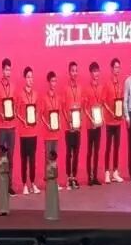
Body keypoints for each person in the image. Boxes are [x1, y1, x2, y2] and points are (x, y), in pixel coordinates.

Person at [0, 58, 17, 195]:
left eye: (10, 70)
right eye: (6, 69)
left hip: (11, 128)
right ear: (2, 70)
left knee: (10, 157)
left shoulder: (13, 86)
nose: (8, 72)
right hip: (1, 128)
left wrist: (15, 112)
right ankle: (0, 187)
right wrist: (0, 114)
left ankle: (9, 186)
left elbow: (15, 105)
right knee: (1, 157)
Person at [17, 66, 40, 195]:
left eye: (32, 77)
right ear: (24, 78)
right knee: (24, 159)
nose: (30, 79)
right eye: (28, 77)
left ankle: (33, 183)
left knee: (33, 159)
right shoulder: (20, 94)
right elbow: (16, 112)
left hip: (33, 132)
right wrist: (24, 120)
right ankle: (25, 185)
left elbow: (37, 111)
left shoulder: (35, 94)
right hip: (23, 133)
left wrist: (35, 117)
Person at [102, 57, 125, 184]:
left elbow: (121, 101)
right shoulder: (107, 84)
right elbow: (104, 101)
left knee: (117, 147)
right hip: (109, 121)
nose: (117, 69)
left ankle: (115, 172)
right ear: (111, 69)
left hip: (118, 121)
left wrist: (121, 113)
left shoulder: (120, 85)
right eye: (115, 67)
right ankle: (106, 172)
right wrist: (111, 113)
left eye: (118, 67)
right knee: (108, 147)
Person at [82, 61, 104, 186]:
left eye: (97, 71)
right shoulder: (86, 89)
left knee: (97, 151)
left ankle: (95, 176)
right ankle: (89, 177)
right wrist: (91, 120)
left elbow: (101, 105)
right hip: (90, 125)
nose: (96, 74)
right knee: (90, 151)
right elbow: (85, 108)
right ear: (90, 73)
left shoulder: (101, 87)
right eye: (94, 71)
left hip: (98, 123)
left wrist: (101, 118)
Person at [63, 60, 83, 190]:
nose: (74, 73)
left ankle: (74, 177)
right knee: (69, 153)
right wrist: (68, 121)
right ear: (69, 72)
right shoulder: (66, 89)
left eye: (76, 71)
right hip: (68, 127)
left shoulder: (80, 88)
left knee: (76, 153)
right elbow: (64, 108)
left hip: (77, 126)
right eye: (72, 71)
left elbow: (81, 107)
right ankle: (68, 178)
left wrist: (80, 120)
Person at [41, 70, 63, 188]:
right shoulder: (44, 98)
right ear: (48, 82)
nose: (54, 83)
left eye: (55, 81)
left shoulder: (58, 97)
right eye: (52, 81)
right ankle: (49, 182)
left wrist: (59, 122)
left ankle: (54, 181)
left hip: (56, 133)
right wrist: (47, 125)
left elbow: (58, 113)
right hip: (48, 133)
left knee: (54, 158)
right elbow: (41, 115)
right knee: (48, 158)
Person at [44, 150, 60, 222]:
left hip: (52, 183)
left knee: (52, 198)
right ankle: (49, 213)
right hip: (49, 183)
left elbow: (56, 175)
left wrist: (48, 178)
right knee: (49, 198)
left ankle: (53, 214)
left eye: (50, 155)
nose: (49, 156)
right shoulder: (49, 164)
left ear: (53, 156)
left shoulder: (54, 165)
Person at [0, 144, 10, 216]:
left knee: (3, 193)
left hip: (3, 178)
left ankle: (4, 209)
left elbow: (6, 170)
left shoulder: (5, 160)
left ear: (2, 151)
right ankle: (0, 209)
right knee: (0, 193)